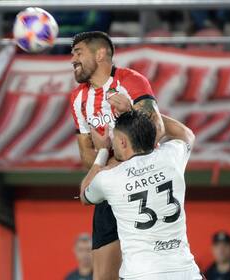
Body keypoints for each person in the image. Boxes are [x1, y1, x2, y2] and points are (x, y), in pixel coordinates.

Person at [70, 31, 165, 280]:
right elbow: (87, 158)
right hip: (111, 191)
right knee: (103, 277)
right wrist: (106, 156)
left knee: (155, 270)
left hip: (143, 186)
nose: (73, 59)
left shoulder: (131, 81)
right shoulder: (78, 98)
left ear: (100, 53)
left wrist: (130, 110)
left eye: (78, 52)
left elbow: (157, 130)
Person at [79, 110, 203, 280]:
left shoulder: (110, 178)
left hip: (140, 274)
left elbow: (84, 194)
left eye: (114, 139)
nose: (113, 144)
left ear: (123, 142)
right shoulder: (170, 156)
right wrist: (144, 109)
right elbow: (186, 134)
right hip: (185, 272)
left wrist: (102, 151)